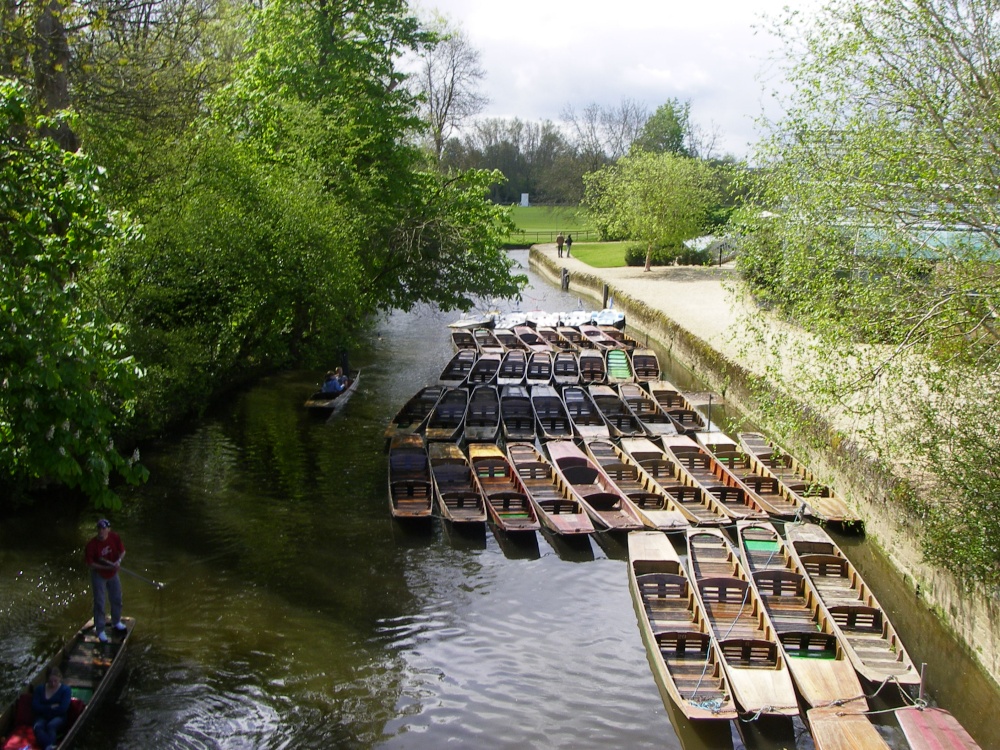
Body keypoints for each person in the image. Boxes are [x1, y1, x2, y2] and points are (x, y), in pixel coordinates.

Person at [84, 519, 126, 643]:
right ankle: (100, 629)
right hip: (99, 575)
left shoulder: (114, 537)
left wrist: (118, 562)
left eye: (103, 529)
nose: (101, 531)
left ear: (108, 529)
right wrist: (106, 567)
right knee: (100, 602)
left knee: (117, 598)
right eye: (99, 529)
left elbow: (122, 551)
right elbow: (90, 564)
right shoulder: (92, 545)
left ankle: (116, 621)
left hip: (113, 573)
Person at [32, 666, 71, 750]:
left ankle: (48, 746)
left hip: (59, 717)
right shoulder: (39, 689)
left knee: (51, 725)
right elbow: (35, 706)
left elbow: (63, 709)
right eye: (50, 681)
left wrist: (44, 709)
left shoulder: (66, 690)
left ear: (60, 678)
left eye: (55, 681)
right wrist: (50, 707)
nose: (53, 684)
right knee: (38, 727)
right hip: (42, 717)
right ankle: (49, 746)